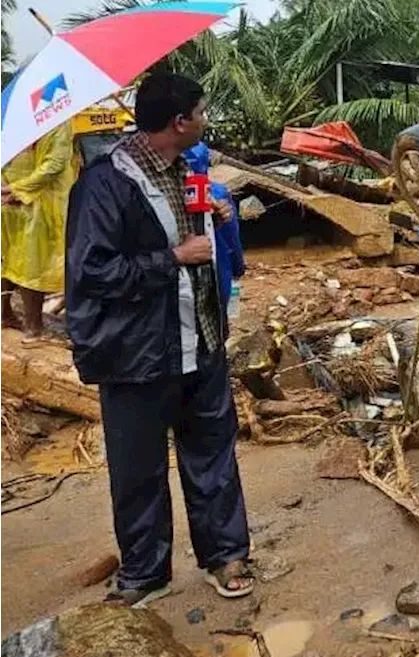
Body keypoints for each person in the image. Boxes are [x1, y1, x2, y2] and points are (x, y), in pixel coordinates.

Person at [66, 73, 253, 607]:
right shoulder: (103, 186)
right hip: (136, 354)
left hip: (202, 342)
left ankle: (226, 554)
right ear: (179, 122)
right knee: (138, 470)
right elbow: (92, 272)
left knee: (214, 455)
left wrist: (214, 221)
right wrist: (172, 258)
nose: (206, 119)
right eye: (202, 111)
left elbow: (192, 243)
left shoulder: (183, 171)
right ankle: (146, 573)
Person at [0, 122, 75, 342]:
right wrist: (16, 190)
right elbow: (55, 164)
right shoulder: (57, 122)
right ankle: (34, 329)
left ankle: (5, 314)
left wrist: (7, 189)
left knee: (9, 258)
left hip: (9, 199)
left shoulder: (9, 119)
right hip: (38, 203)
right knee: (33, 264)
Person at [182, 142, 245, 314]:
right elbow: (232, 236)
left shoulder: (167, 195)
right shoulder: (218, 194)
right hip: (219, 270)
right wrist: (238, 267)